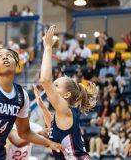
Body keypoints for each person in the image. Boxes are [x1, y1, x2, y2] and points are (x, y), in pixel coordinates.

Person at [40, 25, 98, 159]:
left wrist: (48, 47)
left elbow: (45, 80)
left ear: (66, 95)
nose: (52, 88)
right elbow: (55, 129)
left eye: (56, 86)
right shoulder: (64, 114)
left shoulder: (65, 110)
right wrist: (41, 106)